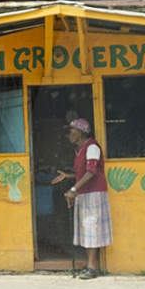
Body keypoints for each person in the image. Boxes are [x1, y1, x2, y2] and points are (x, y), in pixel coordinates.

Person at [51, 118, 111, 279]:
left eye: (72, 132)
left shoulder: (92, 147)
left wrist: (73, 189)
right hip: (85, 192)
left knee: (91, 227)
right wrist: (69, 176)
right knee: (87, 229)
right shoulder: (80, 149)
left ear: (81, 133)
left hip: (93, 193)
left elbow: (91, 172)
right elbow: (84, 172)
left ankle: (92, 267)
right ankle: (92, 266)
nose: (69, 135)